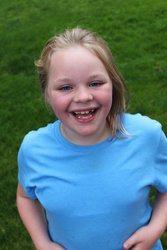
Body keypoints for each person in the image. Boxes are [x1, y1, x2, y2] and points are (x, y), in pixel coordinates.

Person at [16, 27, 167, 250]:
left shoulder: (146, 136)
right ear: (47, 93)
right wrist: (42, 242)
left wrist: (155, 229)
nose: (83, 97)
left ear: (113, 83)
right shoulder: (34, 149)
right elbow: (26, 198)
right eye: (66, 87)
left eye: (95, 83)